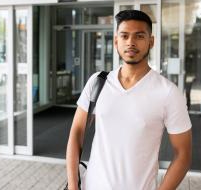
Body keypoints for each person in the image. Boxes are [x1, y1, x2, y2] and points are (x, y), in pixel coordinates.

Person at [66, 10, 192, 190]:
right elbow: (76, 133)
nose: (131, 42)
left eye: (139, 36)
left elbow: (183, 155)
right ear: (116, 41)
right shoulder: (97, 82)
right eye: (124, 36)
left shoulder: (168, 93)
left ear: (151, 41)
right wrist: (72, 185)